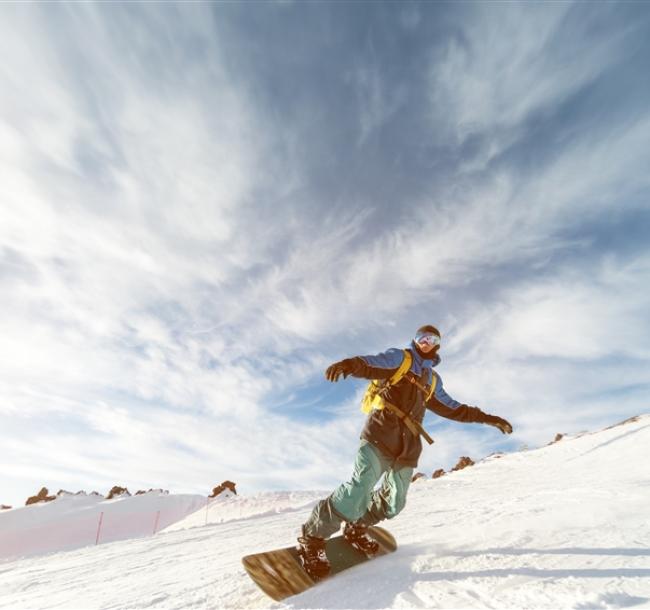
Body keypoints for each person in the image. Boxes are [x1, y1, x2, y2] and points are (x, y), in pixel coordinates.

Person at [297, 324, 513, 578]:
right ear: (415, 339)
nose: (426, 341)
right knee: (360, 487)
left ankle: (357, 527)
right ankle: (312, 540)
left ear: (437, 345)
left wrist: (488, 418)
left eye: (431, 338)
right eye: (422, 337)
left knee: (394, 503)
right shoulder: (401, 358)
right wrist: (349, 364)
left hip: (408, 445)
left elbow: (454, 408)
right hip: (379, 435)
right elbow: (372, 364)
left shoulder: (432, 380)